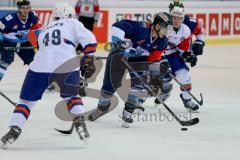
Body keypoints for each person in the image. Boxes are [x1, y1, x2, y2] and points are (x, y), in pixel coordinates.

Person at [1, 3, 97, 149]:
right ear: (70, 14)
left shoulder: (46, 28)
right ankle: (79, 121)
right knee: (72, 97)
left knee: (26, 102)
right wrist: (89, 57)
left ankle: (14, 130)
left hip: (40, 66)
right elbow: (89, 39)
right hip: (66, 65)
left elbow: (42, 47)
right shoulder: (73, 22)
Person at [88, 13, 170, 126]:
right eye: (165, 28)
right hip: (119, 55)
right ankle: (102, 107)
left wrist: (155, 76)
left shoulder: (162, 41)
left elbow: (154, 59)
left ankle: (128, 112)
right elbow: (117, 26)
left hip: (139, 59)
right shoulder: (141, 28)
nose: (166, 32)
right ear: (157, 25)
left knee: (139, 85)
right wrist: (118, 45)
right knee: (111, 84)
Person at [154, 0, 205, 104]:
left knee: (181, 72)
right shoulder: (163, 22)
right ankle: (165, 90)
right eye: (173, 14)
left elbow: (199, 33)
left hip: (177, 50)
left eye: (179, 17)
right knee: (163, 72)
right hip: (162, 51)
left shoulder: (188, 25)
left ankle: (186, 98)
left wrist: (198, 43)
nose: (176, 19)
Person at [164, 6, 199, 111]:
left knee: (184, 74)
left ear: (183, 19)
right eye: (174, 17)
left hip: (171, 53)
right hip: (158, 53)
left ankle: (187, 100)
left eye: (179, 18)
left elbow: (182, 48)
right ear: (171, 17)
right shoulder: (164, 27)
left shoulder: (186, 30)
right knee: (158, 75)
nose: (176, 20)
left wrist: (188, 55)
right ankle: (162, 92)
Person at [0, 0, 41, 82]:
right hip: (8, 42)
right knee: (6, 60)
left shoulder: (33, 16)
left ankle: (42, 82)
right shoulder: (9, 19)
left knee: (34, 61)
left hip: (24, 42)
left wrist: (37, 43)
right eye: (23, 8)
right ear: (18, 8)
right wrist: (1, 42)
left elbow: (35, 30)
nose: (26, 10)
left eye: (28, 8)